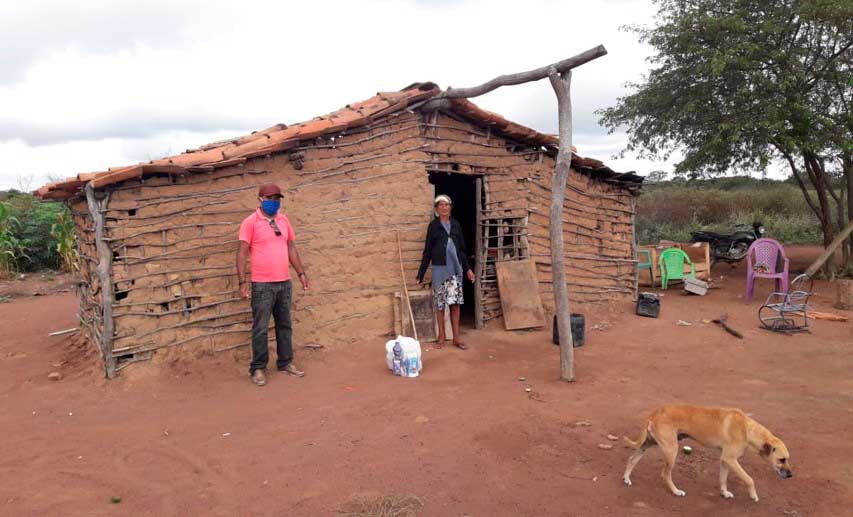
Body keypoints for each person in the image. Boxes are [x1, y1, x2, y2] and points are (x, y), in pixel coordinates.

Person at [237, 183, 310, 386]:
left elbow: (291, 248)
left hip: (284, 282)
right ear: (260, 199)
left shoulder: (284, 220)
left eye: (277, 198)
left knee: (284, 325)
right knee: (260, 328)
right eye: (270, 198)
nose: (274, 202)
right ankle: (258, 368)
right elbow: (242, 252)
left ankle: (285, 362)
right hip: (262, 285)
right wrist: (242, 281)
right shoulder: (250, 222)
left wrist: (301, 273)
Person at [416, 194, 476, 349]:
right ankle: (441, 337)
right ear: (436, 209)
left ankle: (456, 338)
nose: (444, 207)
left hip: (455, 271)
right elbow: (427, 251)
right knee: (440, 305)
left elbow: (462, 250)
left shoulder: (455, 225)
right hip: (439, 270)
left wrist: (468, 269)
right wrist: (420, 274)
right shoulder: (433, 226)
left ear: (450, 207)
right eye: (440, 205)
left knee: (455, 304)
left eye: (446, 204)